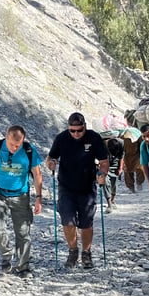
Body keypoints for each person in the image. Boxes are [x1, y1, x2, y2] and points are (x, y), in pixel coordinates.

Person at [0, 125, 44, 277]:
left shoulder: (29, 150)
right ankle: (7, 255)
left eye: (18, 145)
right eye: (12, 144)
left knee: (22, 232)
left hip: (21, 196)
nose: (14, 148)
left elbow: (37, 174)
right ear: (6, 137)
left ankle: (23, 266)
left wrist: (39, 198)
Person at [47, 112, 109, 269]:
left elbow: (103, 161)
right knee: (67, 221)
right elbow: (51, 157)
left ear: (85, 127)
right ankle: (73, 251)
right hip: (66, 186)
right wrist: (51, 164)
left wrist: (102, 174)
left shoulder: (94, 138)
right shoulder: (61, 138)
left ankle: (86, 253)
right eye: (72, 130)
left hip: (87, 187)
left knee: (86, 223)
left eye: (79, 130)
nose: (75, 134)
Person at [103, 137, 124, 210]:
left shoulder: (121, 143)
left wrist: (120, 168)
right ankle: (109, 203)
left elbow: (121, 157)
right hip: (105, 164)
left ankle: (113, 200)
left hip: (115, 165)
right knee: (105, 182)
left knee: (113, 184)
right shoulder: (101, 145)